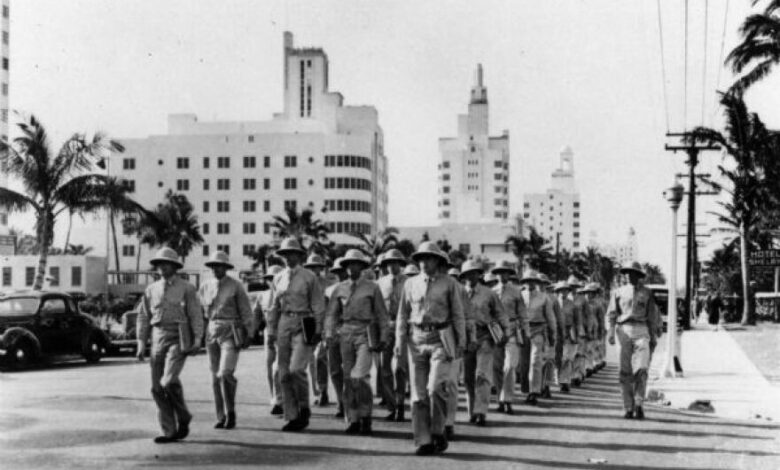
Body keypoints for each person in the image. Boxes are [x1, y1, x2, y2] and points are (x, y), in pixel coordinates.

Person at [396, 241, 465, 456]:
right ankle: (423, 439)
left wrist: (461, 341)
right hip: (416, 339)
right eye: (422, 259)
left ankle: (438, 430)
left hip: (440, 338)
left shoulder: (449, 284)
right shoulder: (410, 284)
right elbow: (402, 315)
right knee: (417, 394)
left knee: (435, 387)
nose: (425, 262)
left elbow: (457, 314)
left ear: (438, 261)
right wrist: (399, 342)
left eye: (430, 258)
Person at [136, 247, 204, 444]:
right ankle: (169, 430)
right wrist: (141, 343)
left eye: (166, 264)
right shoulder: (151, 289)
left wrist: (197, 338)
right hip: (158, 336)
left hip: (178, 336)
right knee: (157, 388)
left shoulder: (187, 288)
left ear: (175, 266)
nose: (162, 267)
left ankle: (183, 415)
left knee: (168, 380)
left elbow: (195, 314)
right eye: (159, 264)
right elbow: (143, 317)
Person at [325, 249, 389, 435]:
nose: (352, 267)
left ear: (362, 267)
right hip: (345, 333)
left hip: (365, 333)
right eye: (349, 264)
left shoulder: (372, 287)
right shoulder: (339, 288)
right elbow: (331, 314)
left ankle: (366, 415)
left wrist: (384, 336)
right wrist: (329, 333)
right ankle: (353, 418)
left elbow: (382, 315)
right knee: (347, 378)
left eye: (356, 264)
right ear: (345, 267)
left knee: (359, 377)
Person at [267, 238, 326, 432]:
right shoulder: (278, 277)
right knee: (283, 373)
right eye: (285, 254)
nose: (288, 257)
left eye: (292, 253)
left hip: (303, 322)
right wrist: (272, 330)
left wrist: (318, 329)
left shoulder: (309, 277)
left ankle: (303, 407)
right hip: (284, 322)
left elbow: (318, 305)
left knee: (296, 369)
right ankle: (292, 416)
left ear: (299, 256)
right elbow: (274, 306)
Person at [198, 251, 253, 430]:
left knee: (225, 373)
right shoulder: (205, 286)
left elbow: (246, 312)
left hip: (231, 330)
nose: (216, 269)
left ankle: (231, 412)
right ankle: (220, 416)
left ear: (226, 268)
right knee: (215, 377)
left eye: (220, 266)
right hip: (212, 331)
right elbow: (200, 312)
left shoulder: (236, 286)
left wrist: (249, 333)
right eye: (213, 266)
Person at [607, 262, 662, 420]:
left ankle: (639, 403)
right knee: (625, 372)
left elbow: (651, 316)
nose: (629, 275)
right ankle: (628, 407)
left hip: (641, 329)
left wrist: (653, 338)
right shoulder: (618, 292)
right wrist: (611, 331)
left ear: (639, 275)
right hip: (623, 330)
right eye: (627, 273)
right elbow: (611, 313)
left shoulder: (647, 293)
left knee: (642, 368)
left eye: (633, 273)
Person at [461, 259, 509, 425]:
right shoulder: (459, 293)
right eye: (467, 274)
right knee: (468, 377)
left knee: (482, 374)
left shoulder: (489, 294)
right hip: (466, 339)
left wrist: (506, 331)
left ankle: (481, 411)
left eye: (473, 273)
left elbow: (500, 314)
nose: (470, 276)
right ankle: (471, 410)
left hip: (484, 337)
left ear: (478, 275)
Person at [491, 260, 528, 414]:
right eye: (500, 272)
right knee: (496, 368)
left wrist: (525, 332)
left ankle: (507, 399)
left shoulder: (516, 291)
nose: (502, 275)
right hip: (495, 332)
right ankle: (500, 399)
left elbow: (523, 314)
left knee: (509, 367)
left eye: (505, 272)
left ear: (509, 274)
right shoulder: (491, 292)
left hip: (512, 330)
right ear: (496, 274)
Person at [376, 249, 408, 422]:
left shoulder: (409, 282)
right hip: (386, 327)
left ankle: (401, 403)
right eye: (389, 263)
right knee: (385, 368)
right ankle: (391, 406)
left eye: (396, 262)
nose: (392, 266)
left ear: (401, 265)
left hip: (403, 327)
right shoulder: (380, 283)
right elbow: (376, 307)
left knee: (399, 368)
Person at [519, 270, 557, 405]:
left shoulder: (543, 297)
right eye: (528, 280)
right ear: (525, 282)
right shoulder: (520, 295)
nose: (530, 283)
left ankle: (534, 392)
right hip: (523, 331)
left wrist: (553, 333)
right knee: (524, 363)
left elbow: (550, 317)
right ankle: (526, 389)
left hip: (538, 330)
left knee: (535, 361)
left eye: (533, 281)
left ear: (536, 282)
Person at [256, 265, 284, 415]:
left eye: (274, 278)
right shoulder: (263, 295)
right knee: (269, 365)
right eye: (269, 279)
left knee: (278, 367)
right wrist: (250, 333)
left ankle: (281, 399)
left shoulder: (284, 294)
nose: (271, 281)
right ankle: (273, 396)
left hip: (283, 331)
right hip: (268, 332)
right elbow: (256, 315)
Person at [304, 253, 331, 407]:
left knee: (320, 357)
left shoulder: (327, 284)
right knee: (310, 360)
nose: (315, 270)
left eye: (317, 267)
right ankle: (316, 392)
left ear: (321, 268)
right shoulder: (304, 282)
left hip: (324, 322)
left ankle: (323, 391)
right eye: (311, 267)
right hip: (308, 322)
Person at [324, 258, 348, 418]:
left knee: (350, 369)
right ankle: (340, 401)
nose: (341, 274)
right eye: (338, 272)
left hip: (350, 330)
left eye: (342, 271)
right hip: (334, 332)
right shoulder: (330, 290)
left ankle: (350, 403)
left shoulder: (357, 288)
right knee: (334, 369)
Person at [552, 281, 578, 393]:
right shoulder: (552, 302)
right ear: (557, 291)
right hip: (555, 332)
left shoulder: (572, 304)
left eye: (566, 290)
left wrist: (576, 334)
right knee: (556, 357)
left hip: (568, 332)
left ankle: (565, 381)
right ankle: (555, 378)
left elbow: (577, 320)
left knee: (567, 358)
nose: (564, 292)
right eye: (561, 290)